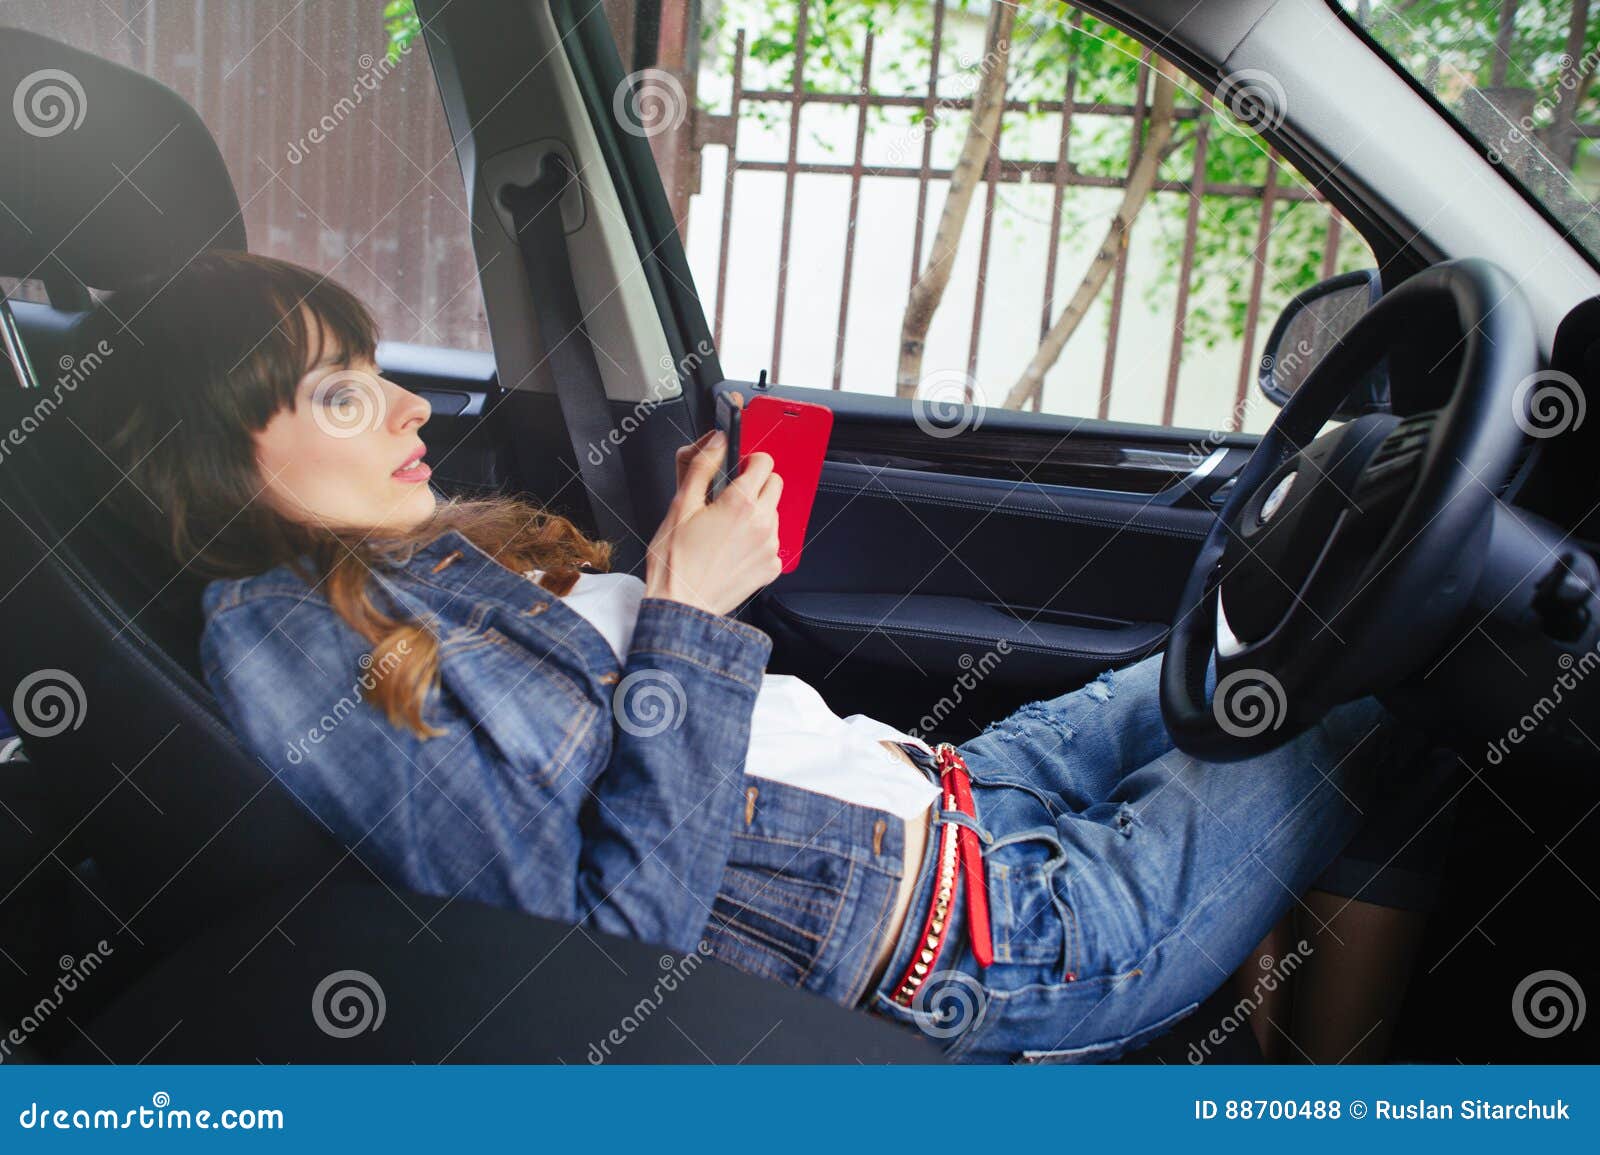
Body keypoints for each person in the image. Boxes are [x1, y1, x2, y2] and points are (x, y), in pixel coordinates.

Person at [76, 251, 1453, 1064]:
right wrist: (686, 612)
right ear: (217, 453)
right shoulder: (294, 653)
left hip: (955, 794)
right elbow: (603, 962)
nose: (407, 402)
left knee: (1277, 656)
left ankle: (1266, 987)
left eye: (376, 366)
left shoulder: (408, 560)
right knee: (1385, 716)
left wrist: (681, 567)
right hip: (994, 931)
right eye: (340, 390)